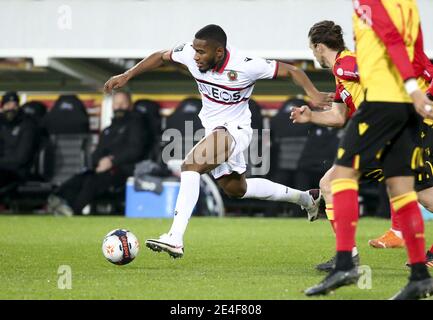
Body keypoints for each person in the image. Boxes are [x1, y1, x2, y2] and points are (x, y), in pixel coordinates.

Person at [104, 24, 332, 258]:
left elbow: (292, 71)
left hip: (236, 130)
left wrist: (313, 93)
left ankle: (175, 237)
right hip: (214, 131)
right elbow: (160, 57)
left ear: (219, 53)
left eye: (201, 52)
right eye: (195, 50)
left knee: (190, 165)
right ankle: (306, 198)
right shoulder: (191, 56)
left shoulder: (245, 65)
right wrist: (127, 74)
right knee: (237, 189)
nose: (195, 56)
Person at [304, 0, 433, 300]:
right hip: (403, 110)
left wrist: (415, 88)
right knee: (408, 189)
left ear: (319, 46)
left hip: (382, 109)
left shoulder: (364, 15)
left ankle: (347, 262)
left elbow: (390, 45)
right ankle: (418, 276)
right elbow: (416, 50)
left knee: (333, 182)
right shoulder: (407, 6)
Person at [47, 91, 151, 216]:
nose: (119, 106)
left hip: (125, 170)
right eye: (116, 103)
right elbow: (99, 152)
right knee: (80, 177)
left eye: (123, 103)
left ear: (130, 105)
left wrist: (111, 161)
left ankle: (73, 211)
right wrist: (93, 163)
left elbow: (135, 150)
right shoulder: (108, 129)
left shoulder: (137, 124)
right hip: (103, 169)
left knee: (92, 181)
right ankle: (57, 200)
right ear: (112, 106)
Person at [0, 92, 39, 193]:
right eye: (8, 105)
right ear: (2, 107)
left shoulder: (27, 126)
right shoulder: (1, 124)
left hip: (17, 172)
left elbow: (21, 158)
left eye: (14, 105)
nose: (11, 109)